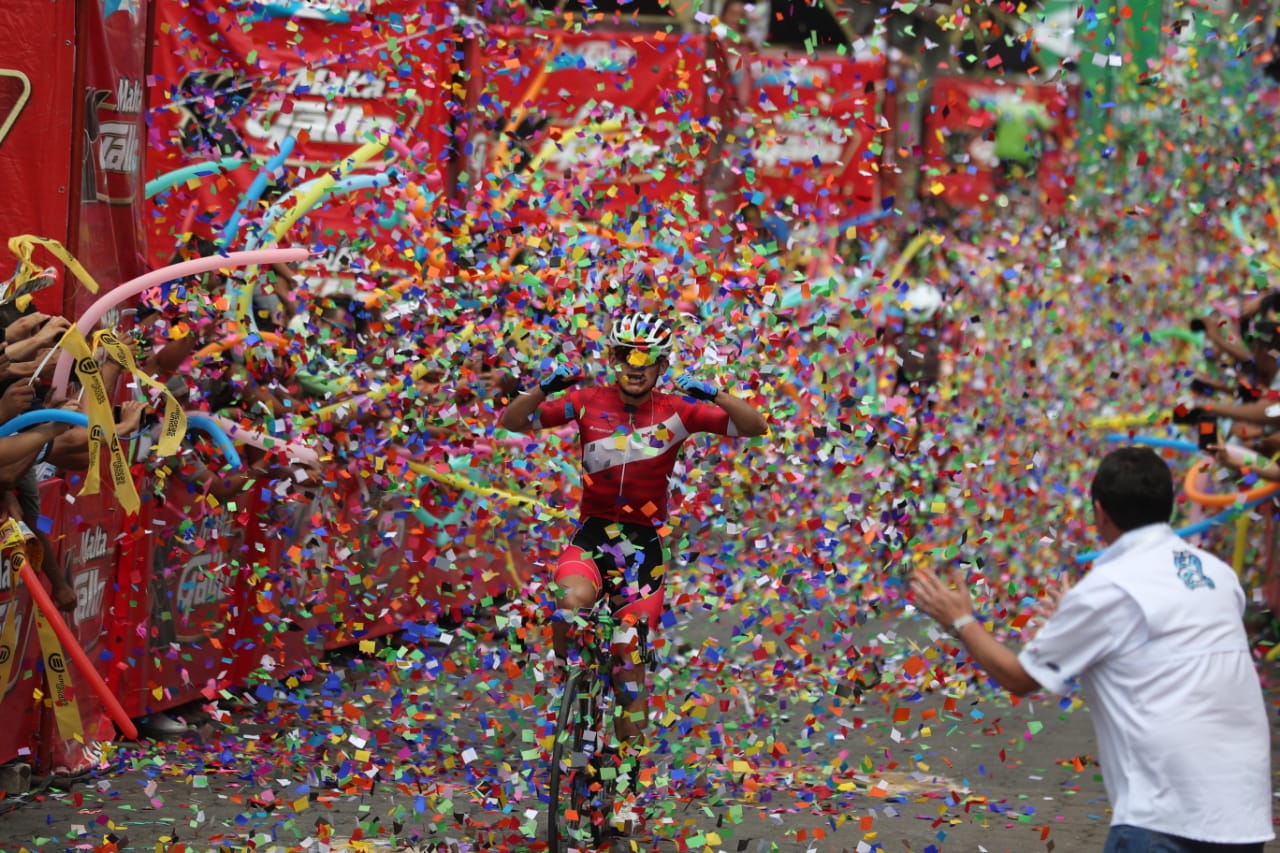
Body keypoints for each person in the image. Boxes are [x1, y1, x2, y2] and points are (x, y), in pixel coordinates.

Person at [910, 446, 1273, 852]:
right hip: (1242, 811)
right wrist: (1078, 616)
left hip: (1168, 813)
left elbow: (1019, 677)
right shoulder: (1217, 574)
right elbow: (1158, 640)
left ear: (1100, 511)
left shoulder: (1111, 585)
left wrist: (961, 620)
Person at [498, 310, 767, 829]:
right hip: (593, 536)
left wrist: (713, 395)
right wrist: (540, 389)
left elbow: (754, 427)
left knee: (629, 671)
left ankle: (622, 787)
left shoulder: (679, 411)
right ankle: (573, 686)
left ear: (662, 363)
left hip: (642, 551)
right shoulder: (586, 400)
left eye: (646, 356)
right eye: (625, 354)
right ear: (613, 358)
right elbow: (513, 421)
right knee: (569, 605)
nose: (634, 365)